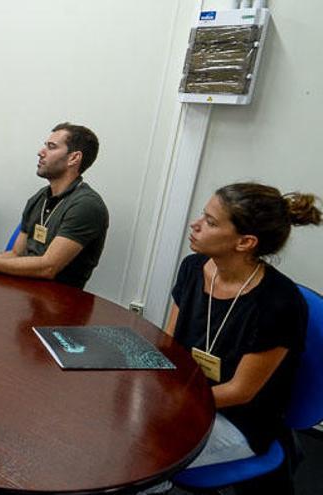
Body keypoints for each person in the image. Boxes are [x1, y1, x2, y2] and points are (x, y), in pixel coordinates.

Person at [136, 184, 321, 494]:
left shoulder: (279, 303)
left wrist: (169, 402)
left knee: (132, 463)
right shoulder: (194, 268)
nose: (195, 225)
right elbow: (171, 347)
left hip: (240, 420)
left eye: (210, 221)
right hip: (186, 398)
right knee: (109, 430)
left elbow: (240, 392)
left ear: (245, 242)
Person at [0, 122, 108, 289]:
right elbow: (15, 253)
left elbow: (48, 267)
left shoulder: (86, 205)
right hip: (24, 288)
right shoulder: (40, 197)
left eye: (51, 147)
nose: (41, 152)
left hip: (59, 301)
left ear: (74, 158)